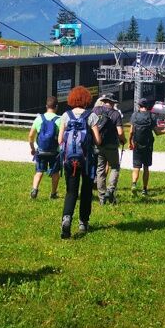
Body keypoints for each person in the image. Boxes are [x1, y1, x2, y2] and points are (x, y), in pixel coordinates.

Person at [58, 86, 103, 238]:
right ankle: (83, 222)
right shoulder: (91, 116)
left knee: (71, 191)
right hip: (87, 160)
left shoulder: (65, 115)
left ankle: (66, 218)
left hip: (70, 160)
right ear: (86, 99)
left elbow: (60, 139)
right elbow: (97, 140)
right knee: (86, 191)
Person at [92, 93, 125, 204]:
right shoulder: (115, 114)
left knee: (100, 169)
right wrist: (123, 140)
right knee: (115, 167)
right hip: (111, 145)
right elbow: (120, 132)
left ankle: (101, 197)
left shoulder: (96, 110)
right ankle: (110, 190)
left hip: (99, 144)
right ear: (113, 102)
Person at [131, 98, 165, 196]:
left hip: (137, 144)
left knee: (136, 166)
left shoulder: (134, 115)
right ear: (148, 106)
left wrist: (131, 142)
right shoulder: (151, 116)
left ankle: (134, 184)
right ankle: (144, 190)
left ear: (139, 105)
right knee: (146, 167)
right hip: (148, 145)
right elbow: (157, 132)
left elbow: (131, 131)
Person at [28, 96, 62, 200]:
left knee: (39, 171)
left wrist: (33, 148)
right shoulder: (59, 120)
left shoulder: (39, 118)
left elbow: (30, 136)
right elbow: (62, 138)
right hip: (54, 152)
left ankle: (34, 189)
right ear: (56, 107)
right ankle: (53, 193)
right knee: (55, 173)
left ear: (46, 106)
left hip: (41, 151)